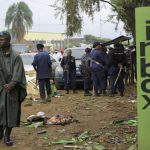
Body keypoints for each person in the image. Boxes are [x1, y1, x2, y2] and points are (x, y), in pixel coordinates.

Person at [0, 31, 27, 146]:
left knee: (11, 113)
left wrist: (11, 84)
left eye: (2, 39)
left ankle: (7, 135)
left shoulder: (16, 57)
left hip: (12, 90)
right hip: (1, 88)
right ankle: (0, 131)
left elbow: (18, 73)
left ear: (8, 41)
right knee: (0, 111)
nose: (0, 41)